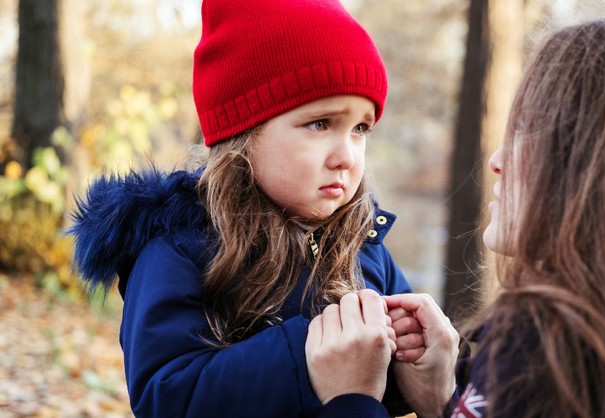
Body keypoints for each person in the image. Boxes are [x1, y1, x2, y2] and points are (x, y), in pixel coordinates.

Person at [307, 14, 605, 418]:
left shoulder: (553, 352)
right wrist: (445, 401)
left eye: (531, 134)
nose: (497, 159)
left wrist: (351, 399)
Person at [67, 0, 422, 416]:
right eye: (320, 124)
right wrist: (307, 364)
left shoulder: (364, 245)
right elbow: (166, 396)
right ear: (243, 132)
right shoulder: (181, 250)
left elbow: (381, 382)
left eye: (361, 128)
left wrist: (409, 353)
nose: (347, 156)